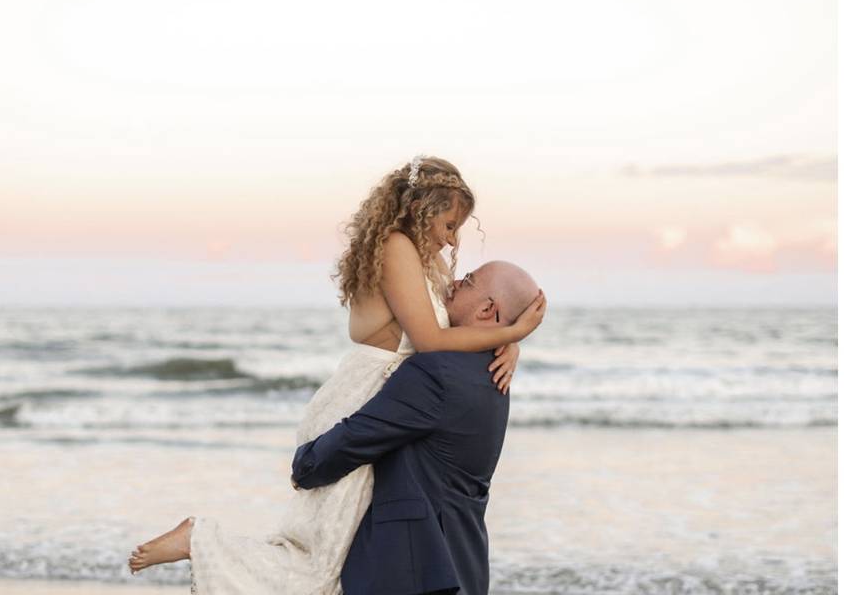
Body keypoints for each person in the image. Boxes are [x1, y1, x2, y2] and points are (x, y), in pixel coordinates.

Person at [127, 156, 547, 594]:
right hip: (358, 400)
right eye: (447, 224)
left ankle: (206, 545)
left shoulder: (428, 263)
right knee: (320, 566)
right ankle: (199, 539)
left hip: (383, 400)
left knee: (333, 564)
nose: (452, 240)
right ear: (422, 210)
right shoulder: (396, 248)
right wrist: (512, 330)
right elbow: (429, 337)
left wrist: (506, 341)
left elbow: (467, 317)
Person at [291, 260, 543, 595]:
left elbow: (360, 435)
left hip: (411, 570)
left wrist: (306, 465)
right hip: (462, 566)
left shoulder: (436, 371)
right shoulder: (491, 372)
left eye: (468, 280)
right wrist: (513, 337)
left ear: (487, 309)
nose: (453, 282)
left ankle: (200, 541)